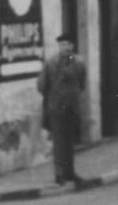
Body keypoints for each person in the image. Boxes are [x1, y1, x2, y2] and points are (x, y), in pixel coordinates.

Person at [37, 33, 86, 186]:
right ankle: (59, 174)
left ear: (73, 46)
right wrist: (54, 97)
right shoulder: (51, 63)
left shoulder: (79, 63)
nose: (66, 47)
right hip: (56, 108)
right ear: (59, 46)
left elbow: (81, 83)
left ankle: (70, 172)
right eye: (63, 44)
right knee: (58, 142)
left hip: (71, 107)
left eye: (69, 44)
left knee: (69, 142)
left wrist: (72, 96)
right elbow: (41, 85)